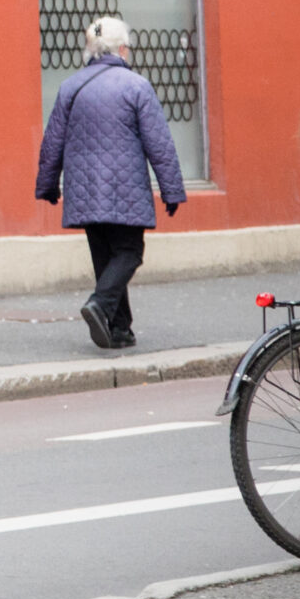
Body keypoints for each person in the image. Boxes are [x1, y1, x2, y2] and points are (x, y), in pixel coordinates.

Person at [36, 17, 186, 350]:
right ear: (121, 49)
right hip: (125, 188)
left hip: (84, 190)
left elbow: (52, 143)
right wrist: (172, 190)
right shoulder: (136, 86)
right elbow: (158, 143)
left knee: (107, 258)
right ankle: (100, 306)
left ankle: (119, 329)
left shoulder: (70, 87)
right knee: (129, 252)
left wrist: (48, 185)